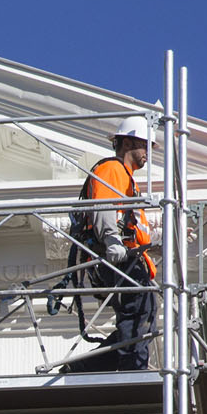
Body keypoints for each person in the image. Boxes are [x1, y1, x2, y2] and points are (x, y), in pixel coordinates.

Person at [77, 114, 159, 371]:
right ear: (126, 143)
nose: (148, 152)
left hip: (129, 258)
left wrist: (169, 238)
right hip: (119, 259)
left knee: (142, 316)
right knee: (136, 313)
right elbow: (104, 207)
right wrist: (112, 242)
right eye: (144, 144)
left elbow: (137, 232)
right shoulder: (113, 169)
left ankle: (87, 367)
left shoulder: (130, 184)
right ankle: (132, 369)